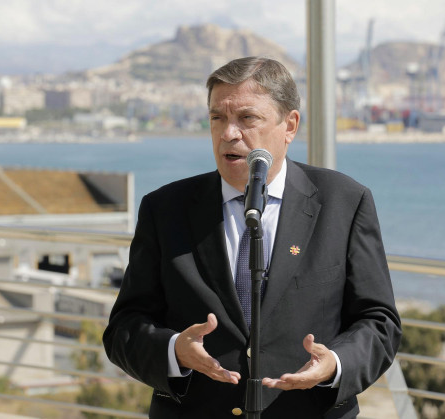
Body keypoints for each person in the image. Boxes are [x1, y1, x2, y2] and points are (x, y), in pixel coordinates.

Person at [103, 56, 401, 418]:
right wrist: (173, 351)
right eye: (217, 118)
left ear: (289, 125)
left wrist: (335, 364)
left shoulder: (345, 202)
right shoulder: (164, 209)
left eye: (247, 118)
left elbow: (379, 322)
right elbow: (123, 329)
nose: (229, 133)